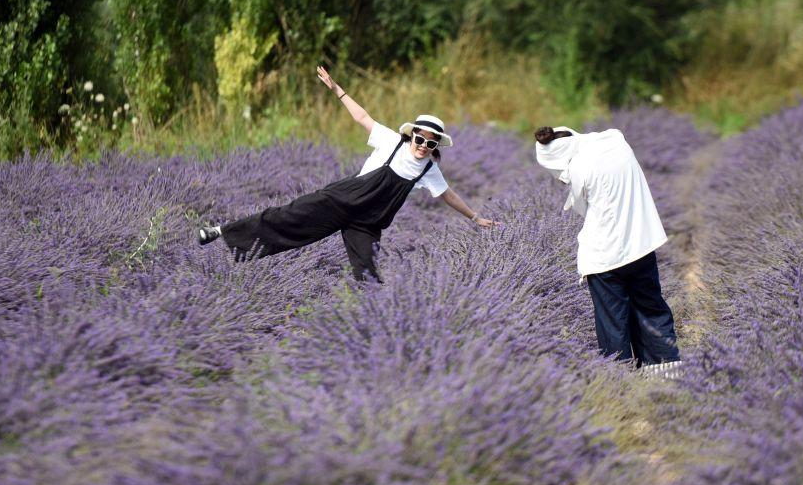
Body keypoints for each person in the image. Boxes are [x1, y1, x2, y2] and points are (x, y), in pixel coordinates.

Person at [198, 66, 497, 280]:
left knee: (367, 272)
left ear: (434, 147)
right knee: (287, 217)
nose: (423, 146)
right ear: (412, 135)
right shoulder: (391, 141)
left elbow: (447, 194)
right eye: (420, 139)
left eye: (430, 143)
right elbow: (363, 117)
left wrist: (474, 217)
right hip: (340, 200)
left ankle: (371, 327)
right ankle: (224, 232)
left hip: (367, 222)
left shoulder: (429, 169)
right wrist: (337, 89)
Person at [534, 126, 679, 367]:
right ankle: (665, 370)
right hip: (640, 244)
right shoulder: (616, 142)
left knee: (613, 322)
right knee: (651, 308)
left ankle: (621, 380)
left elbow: (582, 208)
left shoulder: (580, 168)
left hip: (605, 256)